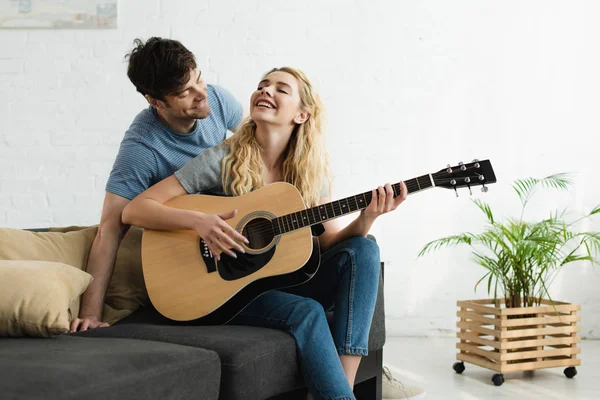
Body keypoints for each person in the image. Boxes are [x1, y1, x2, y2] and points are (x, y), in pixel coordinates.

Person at [122, 66, 413, 400]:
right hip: (227, 289)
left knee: (365, 248)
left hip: (282, 278)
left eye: (280, 89)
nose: (266, 91)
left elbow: (328, 242)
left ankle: (343, 386)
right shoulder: (223, 158)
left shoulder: (310, 171)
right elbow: (135, 209)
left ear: (302, 115)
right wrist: (198, 222)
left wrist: (367, 218)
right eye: (262, 85)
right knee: (307, 312)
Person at [69, 37, 243, 332]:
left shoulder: (218, 99)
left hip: (236, 240)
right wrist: (91, 314)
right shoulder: (142, 147)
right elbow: (110, 229)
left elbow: (263, 148)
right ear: (156, 101)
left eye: (198, 79)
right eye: (185, 92)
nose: (201, 95)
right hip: (186, 260)